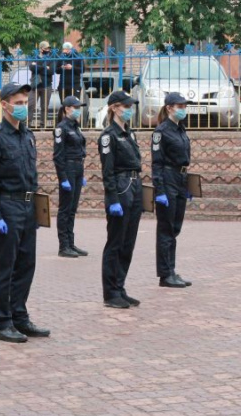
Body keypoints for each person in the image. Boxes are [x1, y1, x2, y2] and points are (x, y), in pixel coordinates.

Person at [0, 82, 50, 343]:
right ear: (5, 104)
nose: (23, 107)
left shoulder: (27, 135)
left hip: (27, 206)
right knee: (3, 267)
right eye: (18, 103)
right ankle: (2, 322)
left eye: (25, 103)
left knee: (25, 265)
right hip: (7, 207)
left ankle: (19, 315)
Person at [98, 91, 143, 309]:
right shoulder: (109, 136)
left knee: (128, 242)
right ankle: (110, 292)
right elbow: (107, 171)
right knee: (116, 242)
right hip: (121, 186)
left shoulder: (129, 133)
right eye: (126, 106)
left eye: (131, 106)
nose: (130, 110)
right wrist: (113, 198)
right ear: (115, 107)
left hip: (134, 185)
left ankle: (120, 286)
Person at [151, 92, 192, 288]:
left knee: (175, 228)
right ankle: (165, 274)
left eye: (185, 106)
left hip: (180, 179)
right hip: (167, 179)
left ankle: (171, 269)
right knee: (166, 229)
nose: (183, 110)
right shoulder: (161, 131)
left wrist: (188, 185)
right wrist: (159, 190)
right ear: (169, 108)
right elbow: (156, 163)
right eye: (180, 106)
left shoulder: (180, 129)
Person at [54, 95, 89, 258]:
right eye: (75, 107)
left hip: (77, 167)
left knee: (73, 209)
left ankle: (71, 243)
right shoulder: (62, 128)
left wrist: (81, 173)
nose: (78, 110)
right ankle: (63, 245)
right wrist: (63, 178)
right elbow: (58, 156)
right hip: (68, 167)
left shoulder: (76, 126)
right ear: (67, 108)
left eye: (79, 107)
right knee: (65, 209)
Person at [28, 41, 55, 127]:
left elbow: (51, 71)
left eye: (48, 48)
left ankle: (43, 125)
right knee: (30, 105)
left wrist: (37, 66)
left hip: (47, 86)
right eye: (46, 48)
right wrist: (44, 67)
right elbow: (32, 68)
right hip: (35, 86)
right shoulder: (34, 57)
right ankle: (27, 124)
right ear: (41, 49)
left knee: (44, 107)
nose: (48, 50)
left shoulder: (51, 58)